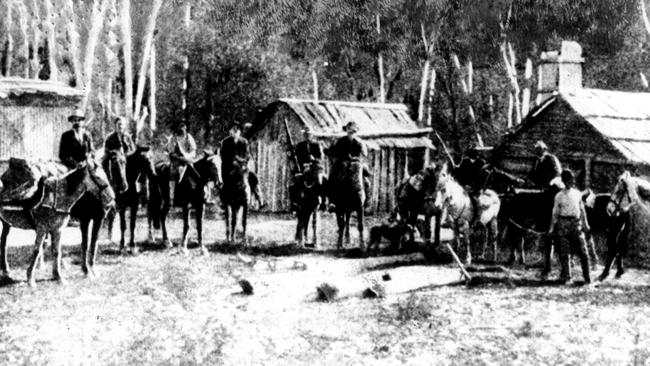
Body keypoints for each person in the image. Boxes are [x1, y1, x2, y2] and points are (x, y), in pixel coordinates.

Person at [548, 169, 591, 284]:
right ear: (563, 181)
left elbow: (582, 210)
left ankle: (587, 277)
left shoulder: (577, 194)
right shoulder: (558, 196)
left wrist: (586, 224)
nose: (570, 182)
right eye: (567, 180)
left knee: (583, 252)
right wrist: (552, 228)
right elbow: (555, 213)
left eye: (572, 180)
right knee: (564, 253)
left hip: (576, 224)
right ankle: (567, 277)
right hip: (563, 224)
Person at [327, 121, 370, 209]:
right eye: (349, 131)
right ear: (346, 131)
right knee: (333, 176)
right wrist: (343, 156)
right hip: (343, 163)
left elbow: (364, 154)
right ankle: (332, 201)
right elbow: (335, 152)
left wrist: (357, 158)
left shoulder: (358, 142)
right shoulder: (341, 141)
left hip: (356, 164)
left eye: (353, 132)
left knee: (366, 180)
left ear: (355, 132)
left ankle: (366, 201)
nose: (351, 133)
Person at [219, 122, 264, 206]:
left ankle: (259, 198)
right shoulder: (225, 142)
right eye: (233, 130)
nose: (235, 132)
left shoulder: (244, 142)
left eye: (237, 130)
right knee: (225, 180)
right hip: (229, 167)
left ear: (239, 131)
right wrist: (231, 161)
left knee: (253, 177)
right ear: (230, 131)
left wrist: (240, 160)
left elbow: (247, 155)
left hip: (241, 166)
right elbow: (223, 155)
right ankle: (223, 199)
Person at [289, 128, 325, 211]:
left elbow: (321, 158)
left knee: (321, 181)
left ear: (312, 135)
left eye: (309, 134)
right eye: (305, 135)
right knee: (294, 183)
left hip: (315, 168)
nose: (307, 136)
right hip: (303, 168)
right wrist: (291, 153)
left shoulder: (317, 145)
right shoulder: (300, 145)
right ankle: (295, 202)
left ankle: (323, 202)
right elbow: (296, 157)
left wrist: (314, 159)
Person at [167, 120, 197, 205]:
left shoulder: (189, 137)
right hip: (177, 162)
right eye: (181, 126)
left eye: (184, 126)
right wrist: (180, 157)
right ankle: (173, 197)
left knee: (197, 173)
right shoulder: (173, 138)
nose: (183, 128)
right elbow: (171, 152)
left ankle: (199, 195)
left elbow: (193, 150)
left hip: (188, 160)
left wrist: (189, 156)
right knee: (176, 173)